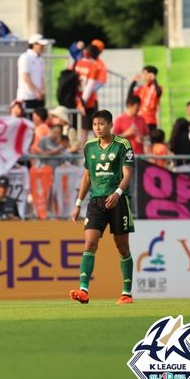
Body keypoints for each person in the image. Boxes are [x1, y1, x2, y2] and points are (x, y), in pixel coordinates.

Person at [70, 110, 135, 305]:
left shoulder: (123, 145)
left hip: (118, 200)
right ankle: (83, 290)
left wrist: (117, 194)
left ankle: (126, 293)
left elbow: (127, 174)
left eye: (102, 124)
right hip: (96, 201)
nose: (98, 128)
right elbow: (87, 176)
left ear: (110, 124)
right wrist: (78, 203)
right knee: (90, 243)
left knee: (122, 247)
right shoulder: (89, 146)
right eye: (95, 124)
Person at [16, 34, 47, 110]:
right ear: (34, 44)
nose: (43, 47)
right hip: (27, 96)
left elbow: (42, 77)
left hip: (39, 97)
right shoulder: (25, 57)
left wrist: (42, 92)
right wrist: (35, 92)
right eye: (41, 45)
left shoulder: (41, 60)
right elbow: (25, 76)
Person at [128, 65, 162, 131]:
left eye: (145, 73)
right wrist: (133, 83)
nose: (143, 76)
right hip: (139, 120)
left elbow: (158, 93)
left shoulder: (157, 87)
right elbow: (130, 96)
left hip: (150, 121)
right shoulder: (141, 88)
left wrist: (154, 80)